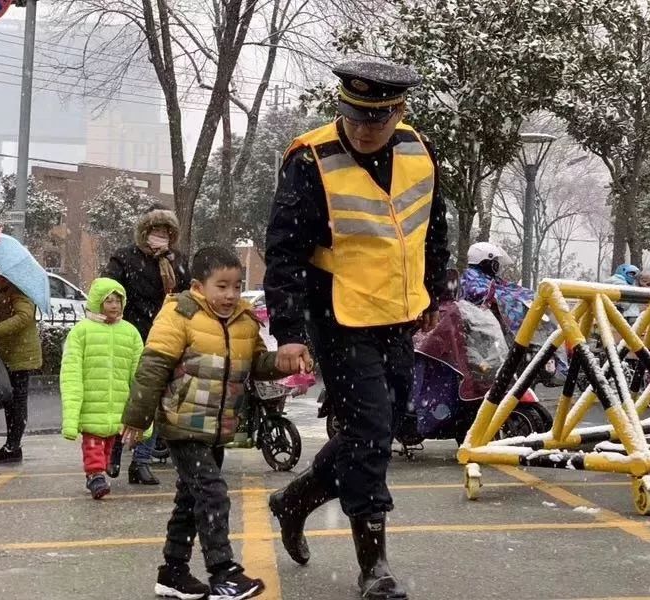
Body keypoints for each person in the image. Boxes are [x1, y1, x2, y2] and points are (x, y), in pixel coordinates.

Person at [263, 60, 450, 600]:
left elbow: (433, 226)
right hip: (338, 315)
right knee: (368, 432)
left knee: (378, 430)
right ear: (340, 108)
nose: (366, 127)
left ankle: (295, 501)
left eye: (378, 117)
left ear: (399, 112)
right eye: (355, 115)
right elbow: (285, 250)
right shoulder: (309, 159)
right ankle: (375, 568)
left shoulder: (418, 150)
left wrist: (434, 292)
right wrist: (290, 330)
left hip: (398, 312)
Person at [121, 246, 292, 600]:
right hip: (182, 424)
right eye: (222, 286)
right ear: (199, 286)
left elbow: (256, 363)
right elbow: (152, 367)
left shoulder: (245, 321)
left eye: (236, 286)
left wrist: (283, 363)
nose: (230, 295)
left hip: (217, 427)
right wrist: (136, 419)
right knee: (213, 494)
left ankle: (173, 573)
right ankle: (223, 572)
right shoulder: (179, 314)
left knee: (191, 498)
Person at [103, 206, 190, 485]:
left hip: (165, 338)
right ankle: (114, 451)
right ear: (144, 232)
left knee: (152, 401)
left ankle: (141, 461)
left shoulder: (177, 261)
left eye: (166, 231)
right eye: (155, 230)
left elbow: (189, 294)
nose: (160, 236)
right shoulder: (125, 257)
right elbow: (107, 290)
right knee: (124, 398)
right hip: (129, 336)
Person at [59, 278, 144, 499]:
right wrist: (71, 417)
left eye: (118, 301)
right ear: (98, 302)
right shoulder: (81, 332)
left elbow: (139, 375)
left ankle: (100, 471)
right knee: (93, 443)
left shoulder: (131, 333)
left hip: (118, 405)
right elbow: (71, 374)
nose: (114, 306)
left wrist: (143, 414)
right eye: (108, 301)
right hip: (91, 404)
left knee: (108, 445)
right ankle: (94, 476)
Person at [0, 255, 42, 465]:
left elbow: (23, 316)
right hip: (9, 355)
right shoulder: (3, 289)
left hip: (21, 356)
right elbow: (3, 311)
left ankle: (13, 446)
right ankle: (11, 445)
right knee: (10, 401)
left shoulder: (18, 289)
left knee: (17, 402)